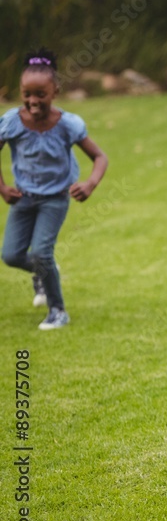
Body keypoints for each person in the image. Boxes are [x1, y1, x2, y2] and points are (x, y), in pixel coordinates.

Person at [1, 48, 108, 330]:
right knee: (10, 255)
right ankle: (43, 273)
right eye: (27, 94)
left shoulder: (67, 125)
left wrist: (90, 184)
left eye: (41, 95)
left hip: (55, 198)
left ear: (55, 91)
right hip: (24, 197)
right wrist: (2, 188)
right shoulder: (12, 121)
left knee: (41, 253)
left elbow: (100, 157)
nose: (33, 101)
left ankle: (58, 311)